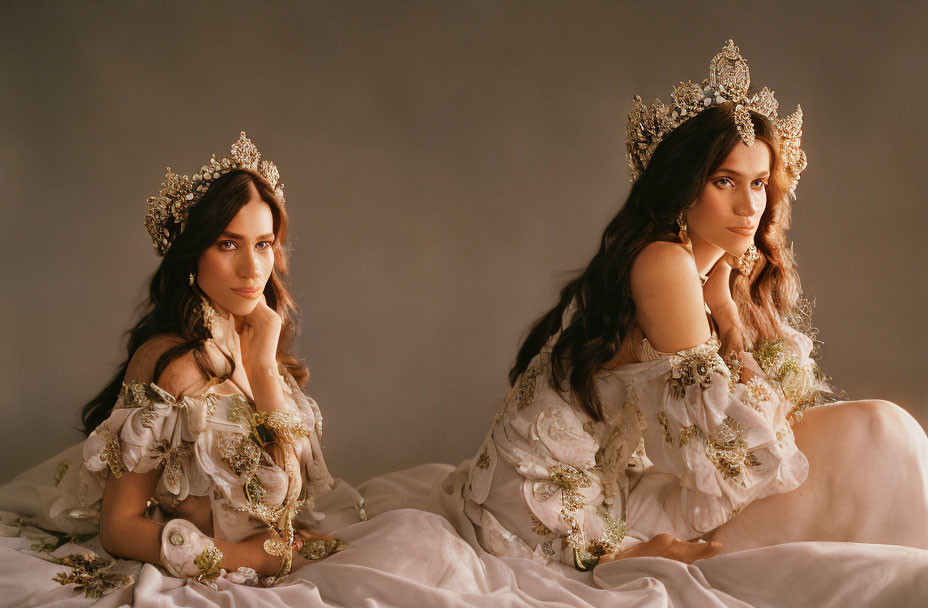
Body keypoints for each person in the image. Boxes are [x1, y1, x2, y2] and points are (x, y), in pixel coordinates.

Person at [459, 40, 928, 571]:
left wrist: (726, 301)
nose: (749, 206)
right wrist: (725, 314)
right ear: (683, 186)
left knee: (879, 436)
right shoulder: (665, 263)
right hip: (549, 509)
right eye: (724, 181)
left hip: (610, 483)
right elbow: (733, 452)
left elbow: (779, 411)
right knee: (877, 439)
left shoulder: (705, 265)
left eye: (758, 183)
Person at [63, 132, 363, 587]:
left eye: (263, 244)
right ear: (191, 254)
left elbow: (283, 501)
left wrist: (262, 369)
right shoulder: (169, 361)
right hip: (212, 568)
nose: (252, 269)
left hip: (275, 556)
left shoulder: (258, 341)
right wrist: (242, 556)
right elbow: (117, 527)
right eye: (228, 244)